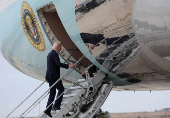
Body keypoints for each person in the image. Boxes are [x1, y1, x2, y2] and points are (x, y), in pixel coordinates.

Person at [44, 42, 75, 117]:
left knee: (52, 93)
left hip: (49, 76)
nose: (60, 49)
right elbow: (58, 64)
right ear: (57, 47)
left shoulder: (49, 54)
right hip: (54, 76)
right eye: (60, 47)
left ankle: (48, 110)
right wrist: (69, 66)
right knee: (61, 89)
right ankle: (56, 105)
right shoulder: (55, 54)